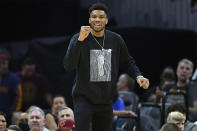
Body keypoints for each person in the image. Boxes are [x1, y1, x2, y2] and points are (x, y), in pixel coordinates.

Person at [63, 3, 149, 131]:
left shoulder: (115, 39)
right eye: (94, 17)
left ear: (106, 20)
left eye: (101, 17)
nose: (97, 19)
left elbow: (127, 61)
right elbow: (68, 65)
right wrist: (80, 41)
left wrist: (138, 75)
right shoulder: (78, 38)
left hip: (106, 99)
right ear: (89, 20)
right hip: (84, 97)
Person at [0, 49, 22, 123]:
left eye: (6, 63)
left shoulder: (14, 78)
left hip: (8, 116)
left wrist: (12, 113)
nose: (5, 66)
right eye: (2, 64)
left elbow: (18, 97)